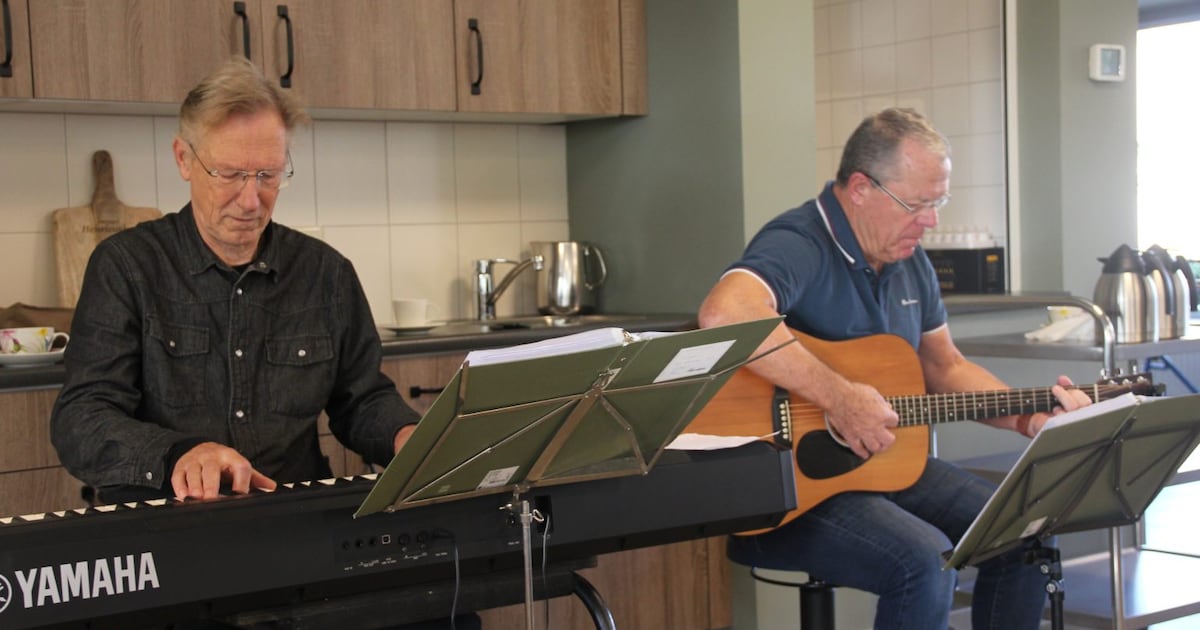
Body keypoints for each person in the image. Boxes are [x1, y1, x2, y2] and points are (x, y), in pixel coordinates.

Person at [697, 108, 1093, 629]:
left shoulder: (910, 260)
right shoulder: (800, 242)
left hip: (886, 468)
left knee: (1025, 526)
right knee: (925, 561)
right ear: (860, 187)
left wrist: (1029, 419)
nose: (931, 221)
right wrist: (838, 397)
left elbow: (945, 366)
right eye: (918, 203)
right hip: (785, 491)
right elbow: (724, 314)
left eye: (939, 202)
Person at [50, 56, 420, 503]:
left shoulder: (327, 273)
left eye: (268, 175)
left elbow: (361, 400)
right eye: (229, 174)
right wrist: (178, 455)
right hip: (162, 523)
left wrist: (406, 436)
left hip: (289, 517)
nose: (251, 199)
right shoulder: (126, 267)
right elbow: (82, 418)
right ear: (184, 159)